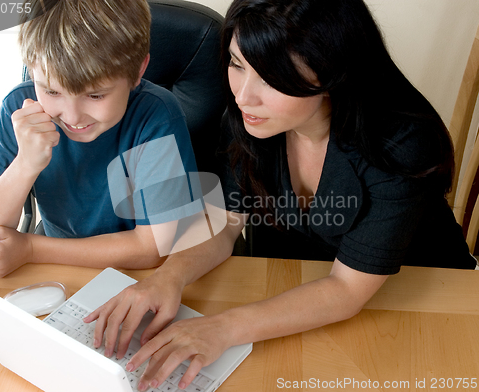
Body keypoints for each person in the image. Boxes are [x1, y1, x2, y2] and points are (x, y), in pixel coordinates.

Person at [84, 0, 477, 390]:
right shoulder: (252, 120)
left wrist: (222, 329)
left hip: (421, 294)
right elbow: (225, 224)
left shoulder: (399, 143)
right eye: (237, 64)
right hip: (304, 286)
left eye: (272, 79)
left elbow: (346, 290)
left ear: (332, 72)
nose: (243, 96)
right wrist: (167, 277)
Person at [0, 0, 199, 277]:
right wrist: (25, 164)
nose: (72, 117)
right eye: (51, 92)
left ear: (139, 71)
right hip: (52, 270)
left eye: (95, 95)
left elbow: (153, 246)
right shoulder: (19, 108)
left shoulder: (156, 115)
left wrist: (32, 249)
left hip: (131, 273)